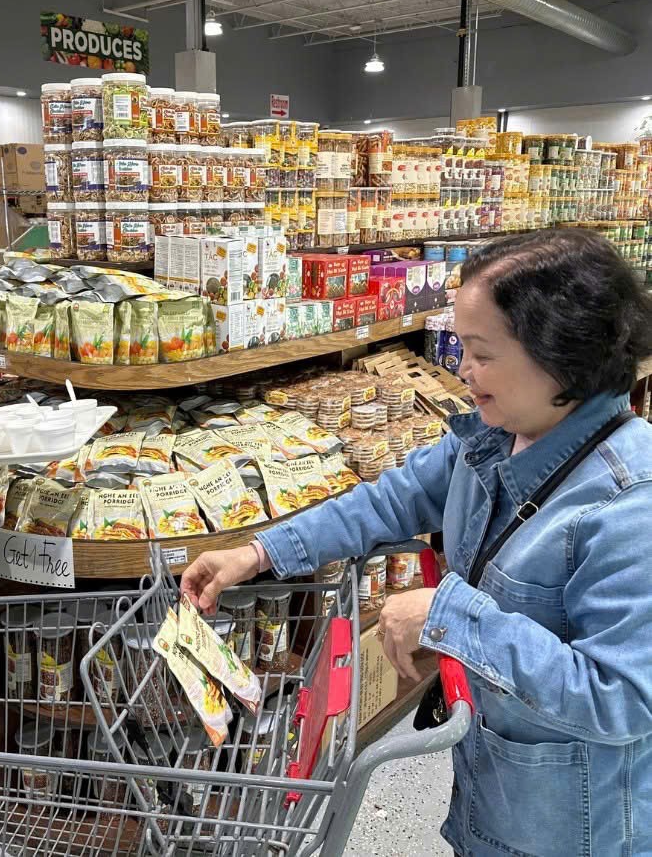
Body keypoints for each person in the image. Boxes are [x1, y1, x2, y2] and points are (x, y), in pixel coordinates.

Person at [182, 228, 652, 857]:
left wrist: (448, 615)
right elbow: (390, 499)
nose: (462, 368)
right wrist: (259, 552)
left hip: (575, 824)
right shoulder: (494, 434)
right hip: (494, 787)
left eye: (482, 352)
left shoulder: (630, 505)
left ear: (562, 356)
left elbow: (620, 699)